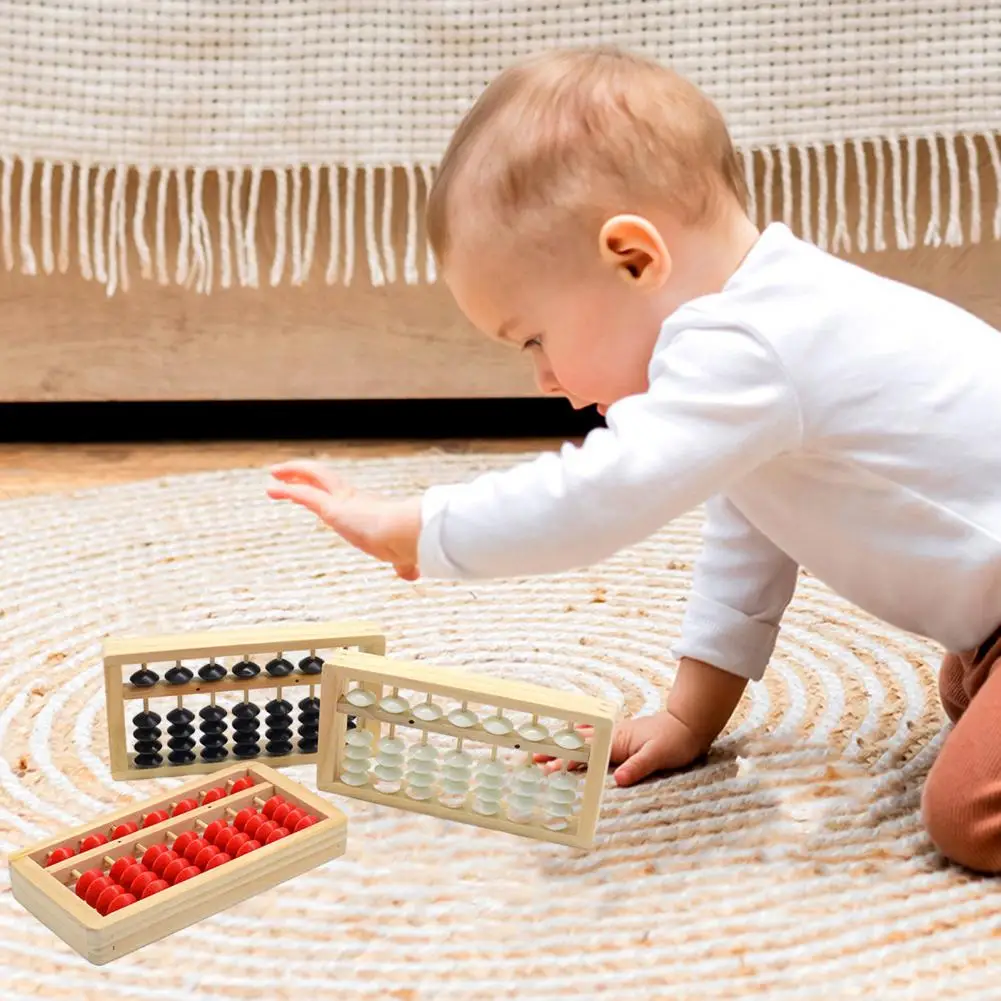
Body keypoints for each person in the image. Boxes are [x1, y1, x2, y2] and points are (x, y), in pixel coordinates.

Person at [267, 47, 1001, 872]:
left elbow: (598, 497)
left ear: (632, 258)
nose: (543, 377)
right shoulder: (763, 344)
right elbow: (749, 543)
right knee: (962, 691)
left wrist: (417, 526)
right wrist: (689, 716)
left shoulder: (747, 343)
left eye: (535, 338)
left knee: (965, 813)